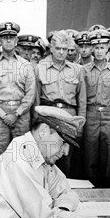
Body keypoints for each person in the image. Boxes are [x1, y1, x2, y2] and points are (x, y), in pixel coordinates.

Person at [34, 30, 86, 176]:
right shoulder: (40, 68)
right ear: (51, 48)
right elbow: (36, 99)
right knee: (47, 157)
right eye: (58, 49)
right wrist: (37, 124)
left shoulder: (77, 70)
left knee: (66, 158)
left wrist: (80, 125)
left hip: (69, 118)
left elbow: (82, 100)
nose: (61, 52)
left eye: (65, 49)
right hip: (48, 117)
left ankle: (64, 193)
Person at [0, 22, 35, 165]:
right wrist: (4, 115)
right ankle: (0, 187)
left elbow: (30, 94)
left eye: (11, 37)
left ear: (16, 41)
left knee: (22, 160)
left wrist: (16, 113)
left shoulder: (26, 65)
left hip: (21, 116)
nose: (8, 40)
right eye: (4, 37)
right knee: (0, 160)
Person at [82, 29, 110, 181]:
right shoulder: (84, 71)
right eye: (96, 47)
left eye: (102, 47)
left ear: (108, 47)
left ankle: (105, 187)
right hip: (91, 114)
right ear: (92, 48)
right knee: (89, 155)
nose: (99, 51)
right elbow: (81, 97)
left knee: (108, 156)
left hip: (108, 116)